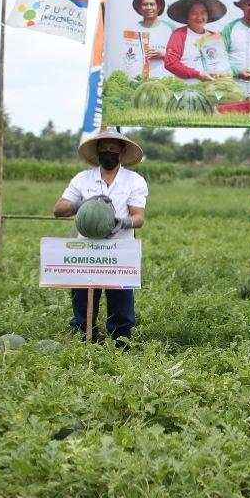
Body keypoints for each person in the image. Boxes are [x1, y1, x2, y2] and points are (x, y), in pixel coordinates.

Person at [53, 130, 148, 347]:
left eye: (113, 149)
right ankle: (85, 339)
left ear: (122, 151)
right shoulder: (82, 179)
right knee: (83, 297)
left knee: (121, 300)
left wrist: (123, 222)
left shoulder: (134, 181)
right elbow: (58, 209)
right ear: (97, 151)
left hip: (119, 251)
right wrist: (80, 205)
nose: (108, 153)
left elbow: (138, 217)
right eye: (104, 149)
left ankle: (120, 342)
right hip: (86, 250)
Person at [164, 0, 232, 81]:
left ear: (208, 16)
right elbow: (170, 63)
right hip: (187, 88)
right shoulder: (179, 34)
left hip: (212, 86)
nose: (199, 17)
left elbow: (224, 62)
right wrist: (197, 74)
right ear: (187, 17)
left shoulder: (214, 36)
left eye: (203, 13)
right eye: (194, 13)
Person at [119, 0, 174, 79]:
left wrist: (163, 55)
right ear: (139, 8)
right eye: (144, 5)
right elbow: (127, 60)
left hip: (165, 80)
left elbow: (182, 54)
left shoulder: (170, 29)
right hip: (140, 82)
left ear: (159, 7)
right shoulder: (133, 32)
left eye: (152, 4)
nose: (148, 7)